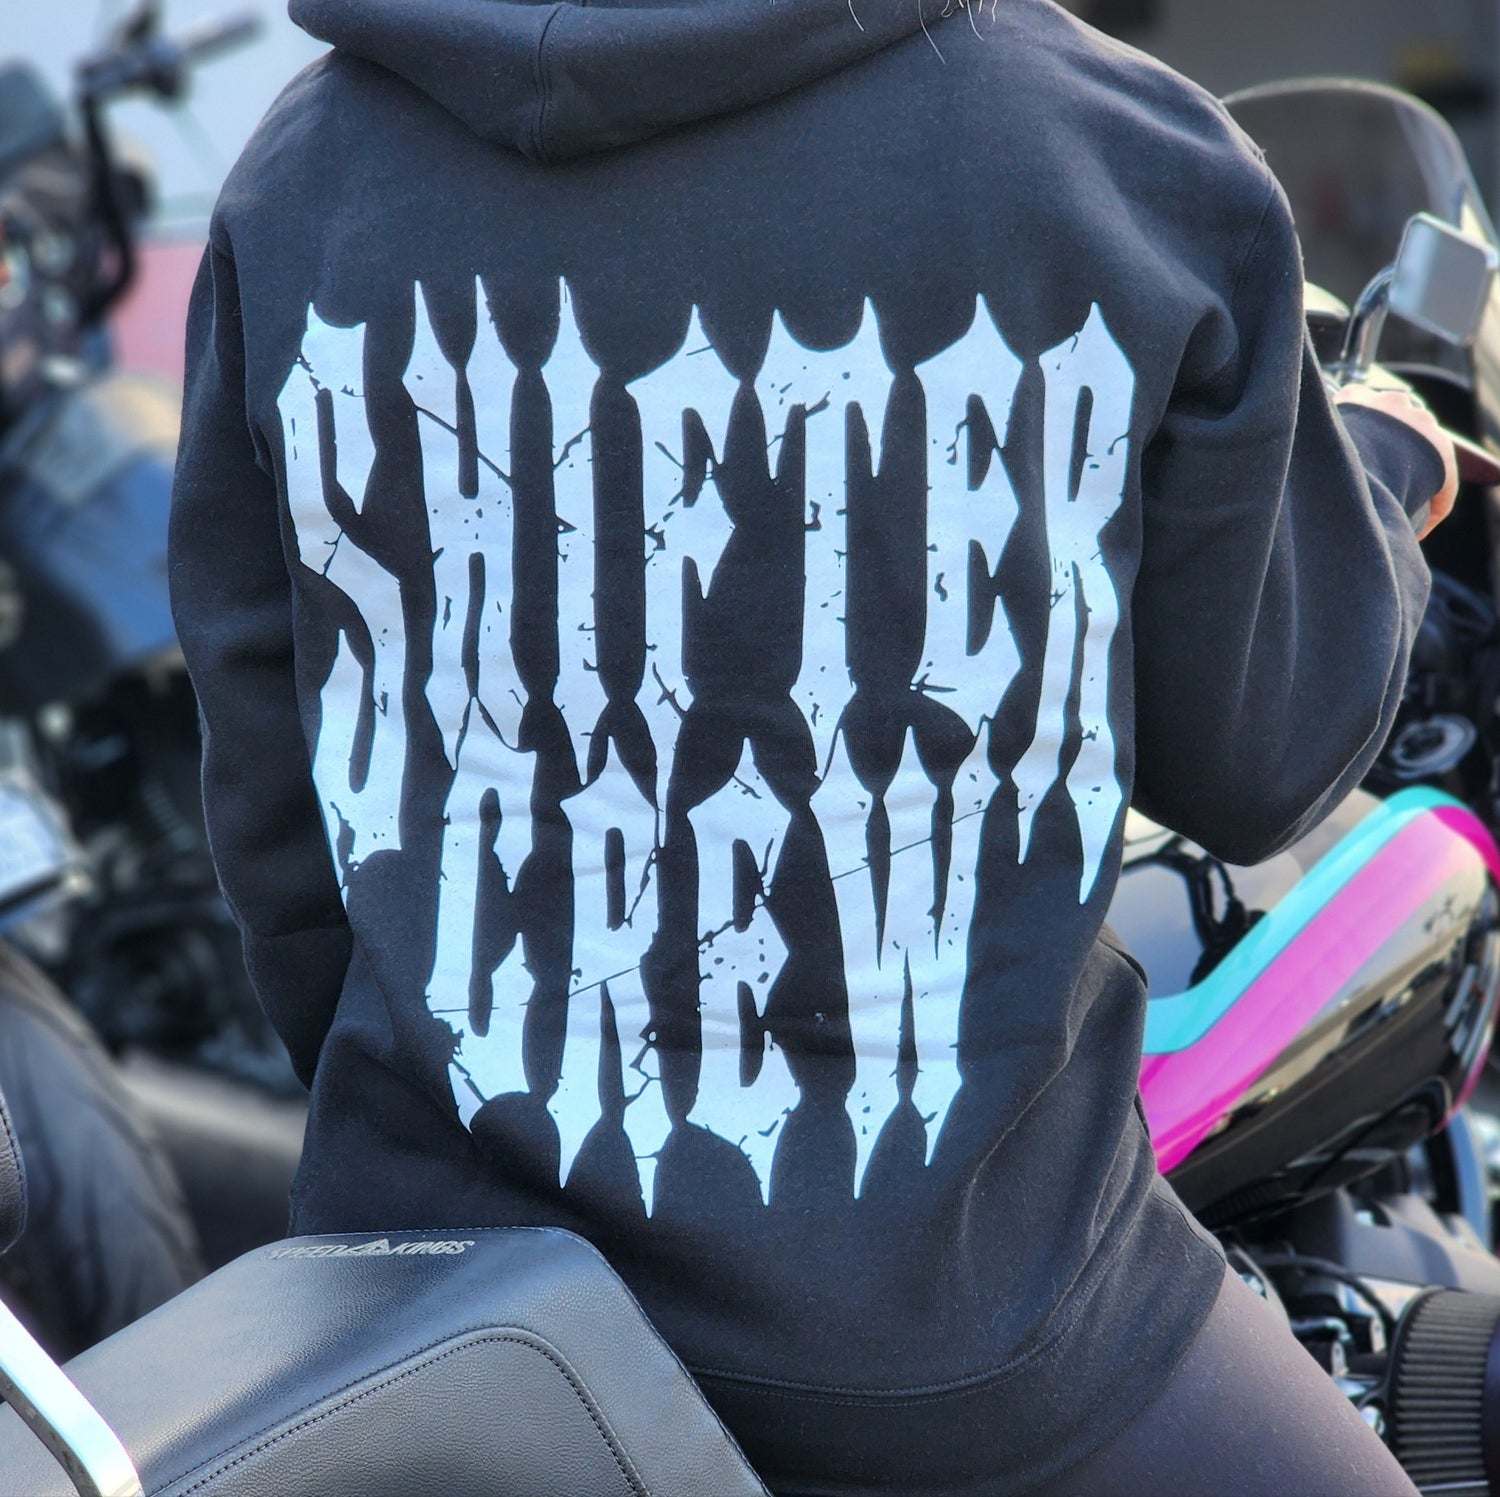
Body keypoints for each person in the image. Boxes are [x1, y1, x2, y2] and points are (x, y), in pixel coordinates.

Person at [169, 0, 1457, 1491]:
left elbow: (282, 831)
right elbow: (1263, 757)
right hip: (996, 1337)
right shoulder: (1123, 154)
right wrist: (1381, 468)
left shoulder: (299, 180)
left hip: (452, 1328)